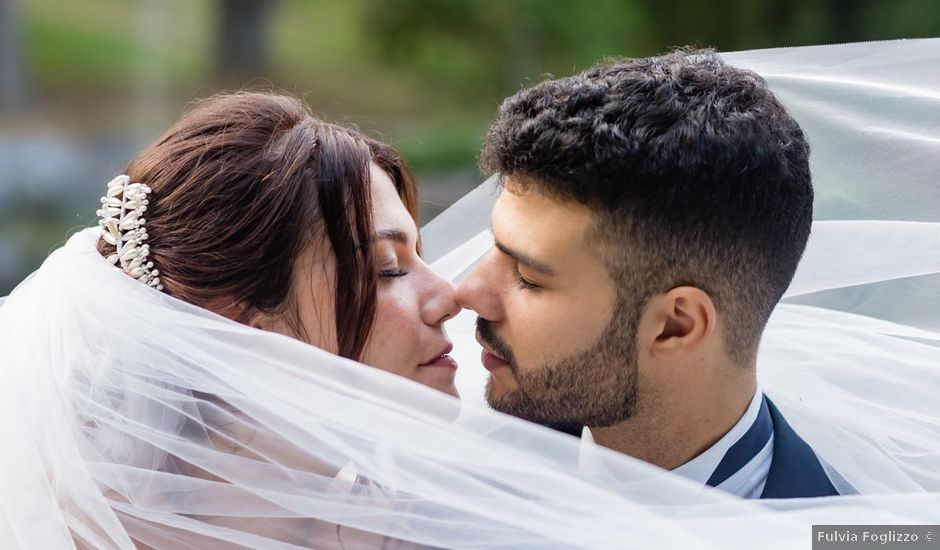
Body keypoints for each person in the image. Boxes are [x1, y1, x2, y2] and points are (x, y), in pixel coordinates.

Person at [455, 49, 838, 498]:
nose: (468, 291)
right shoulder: (444, 487)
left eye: (529, 277)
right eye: (494, 246)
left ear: (676, 326)